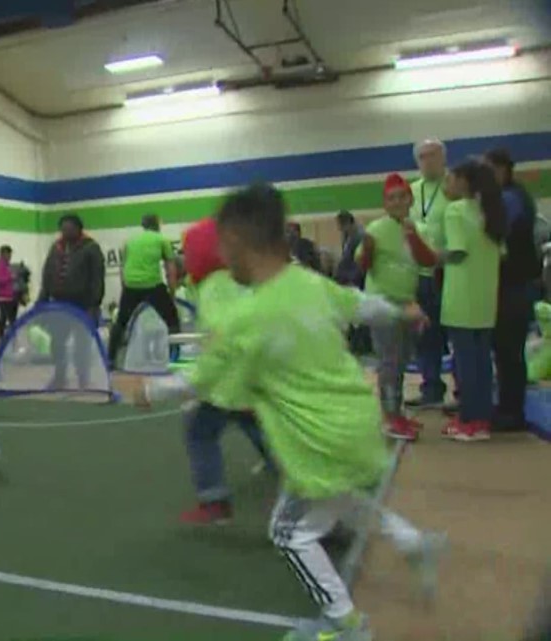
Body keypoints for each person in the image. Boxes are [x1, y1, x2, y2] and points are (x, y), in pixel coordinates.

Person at [142, 184, 445, 641]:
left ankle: (346, 626)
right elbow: (364, 306)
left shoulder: (250, 317)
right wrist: (404, 311)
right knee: (340, 500)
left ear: (241, 245)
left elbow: (203, 378)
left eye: (225, 246)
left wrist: (149, 389)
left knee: (289, 532)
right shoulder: (311, 283)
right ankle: (412, 542)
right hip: (358, 425)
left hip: (319, 441)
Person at [148, 216, 272, 525]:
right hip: (253, 378)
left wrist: (162, 388)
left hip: (228, 382)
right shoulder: (236, 281)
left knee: (199, 432)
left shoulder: (214, 289)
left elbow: (220, 346)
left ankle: (214, 501)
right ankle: (284, 467)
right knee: (256, 424)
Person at [356, 174, 438, 441]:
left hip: (407, 304)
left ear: (410, 199)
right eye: (391, 198)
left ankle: (397, 414)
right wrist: (368, 249)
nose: (397, 202)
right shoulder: (376, 229)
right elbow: (363, 265)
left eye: (402, 196)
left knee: (402, 360)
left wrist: (412, 236)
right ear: (384, 203)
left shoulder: (419, 227)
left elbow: (428, 261)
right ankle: (390, 418)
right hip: (381, 303)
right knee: (389, 362)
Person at [439, 159, 506, 442]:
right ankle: (482, 418)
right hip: (485, 298)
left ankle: (469, 420)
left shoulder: (455, 211)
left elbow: (457, 252)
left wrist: (432, 255)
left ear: (464, 181)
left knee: (465, 363)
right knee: (481, 361)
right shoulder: (492, 212)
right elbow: (500, 254)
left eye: (451, 178)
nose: (448, 183)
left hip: (461, 297)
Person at [485, 148, 541, 433]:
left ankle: (511, 411)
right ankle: (508, 406)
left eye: (491, 170)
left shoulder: (511, 198)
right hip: (513, 284)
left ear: (504, 169)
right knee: (506, 350)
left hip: (515, 284)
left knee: (509, 350)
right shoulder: (514, 196)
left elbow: (496, 230)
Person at [407, 138, 452, 409]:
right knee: (425, 334)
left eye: (433, 155)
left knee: (455, 334)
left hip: (449, 272)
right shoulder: (411, 192)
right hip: (419, 274)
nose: (428, 161)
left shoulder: (454, 187)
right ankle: (431, 388)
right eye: (423, 156)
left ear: (444, 158)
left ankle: (462, 392)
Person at [39, 214, 106, 389]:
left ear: (78, 229)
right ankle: (60, 377)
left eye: (69, 228)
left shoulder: (91, 248)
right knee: (57, 342)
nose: (65, 231)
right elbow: (47, 275)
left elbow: (97, 278)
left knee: (82, 344)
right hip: (59, 304)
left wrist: (94, 304)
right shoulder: (56, 248)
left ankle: (83, 378)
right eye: (62, 228)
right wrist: (42, 301)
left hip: (83, 304)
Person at [107, 214, 180, 366]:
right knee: (172, 319)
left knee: (121, 322)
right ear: (158, 225)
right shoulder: (161, 240)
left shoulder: (130, 241)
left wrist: (126, 287)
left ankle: (110, 359)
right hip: (152, 285)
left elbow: (123, 268)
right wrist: (172, 292)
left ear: (143, 225)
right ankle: (175, 355)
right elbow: (170, 269)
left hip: (130, 285)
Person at [0, 245, 19, 338]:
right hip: (3, 297)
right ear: (3, 254)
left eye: (10, 254)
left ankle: (13, 338)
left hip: (11, 296)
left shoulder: (9, 266)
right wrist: (10, 277)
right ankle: (1, 338)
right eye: (8, 254)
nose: (10, 256)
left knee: (12, 320)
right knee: (3, 319)